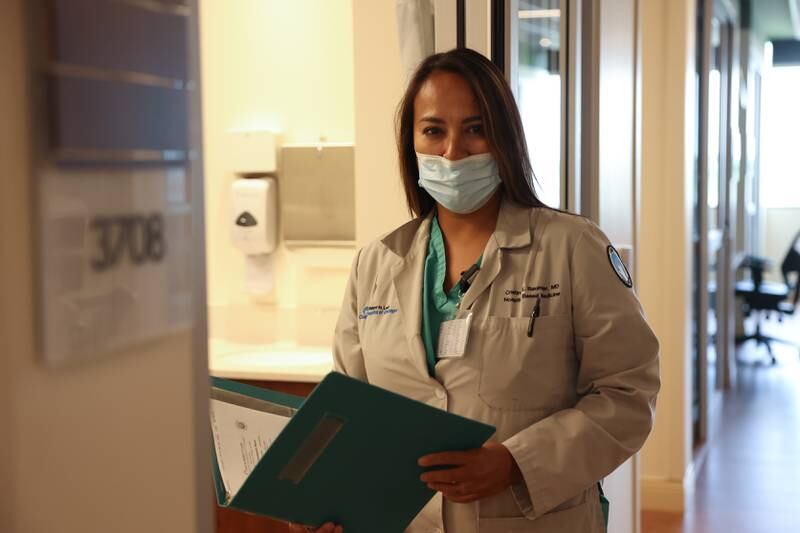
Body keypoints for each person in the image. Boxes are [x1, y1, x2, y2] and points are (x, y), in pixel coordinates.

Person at [291, 47, 660, 533]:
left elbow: (627, 395)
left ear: (503, 137)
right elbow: (348, 412)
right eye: (433, 130)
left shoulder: (572, 248)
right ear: (412, 143)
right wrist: (320, 500)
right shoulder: (376, 264)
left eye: (474, 129)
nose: (452, 152)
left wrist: (515, 462)